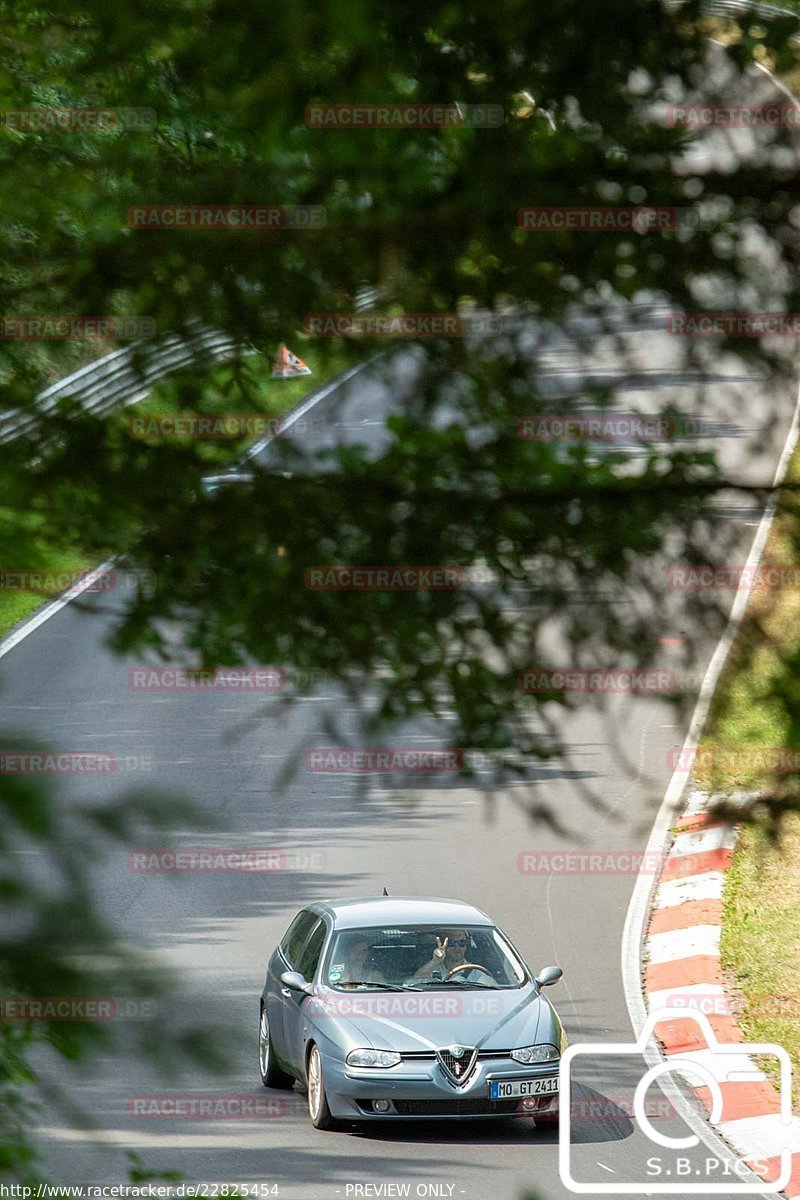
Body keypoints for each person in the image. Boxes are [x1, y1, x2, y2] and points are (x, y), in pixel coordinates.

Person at [413, 928, 492, 983]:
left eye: (462, 942)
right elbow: (413, 981)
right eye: (451, 943)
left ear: (467, 945)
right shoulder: (434, 970)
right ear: (443, 945)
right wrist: (435, 961)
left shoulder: (477, 972)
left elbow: (496, 994)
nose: (457, 947)